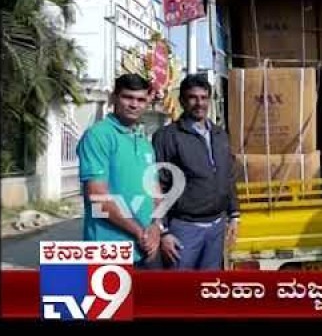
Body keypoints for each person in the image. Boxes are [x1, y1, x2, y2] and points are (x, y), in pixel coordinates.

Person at [152, 74, 240, 270]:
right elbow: (158, 185)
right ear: (182, 101)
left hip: (217, 226)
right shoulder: (167, 137)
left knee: (207, 289)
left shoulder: (220, 135)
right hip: (183, 228)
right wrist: (163, 231)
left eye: (203, 97)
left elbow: (228, 176)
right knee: (180, 292)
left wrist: (234, 214)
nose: (199, 103)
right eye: (193, 97)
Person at [77, 73, 161, 269]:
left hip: (146, 249)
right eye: (127, 97)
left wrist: (156, 227)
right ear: (114, 98)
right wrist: (140, 232)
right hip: (109, 253)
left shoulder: (143, 140)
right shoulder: (98, 136)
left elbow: (155, 192)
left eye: (140, 99)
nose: (134, 104)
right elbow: (98, 196)